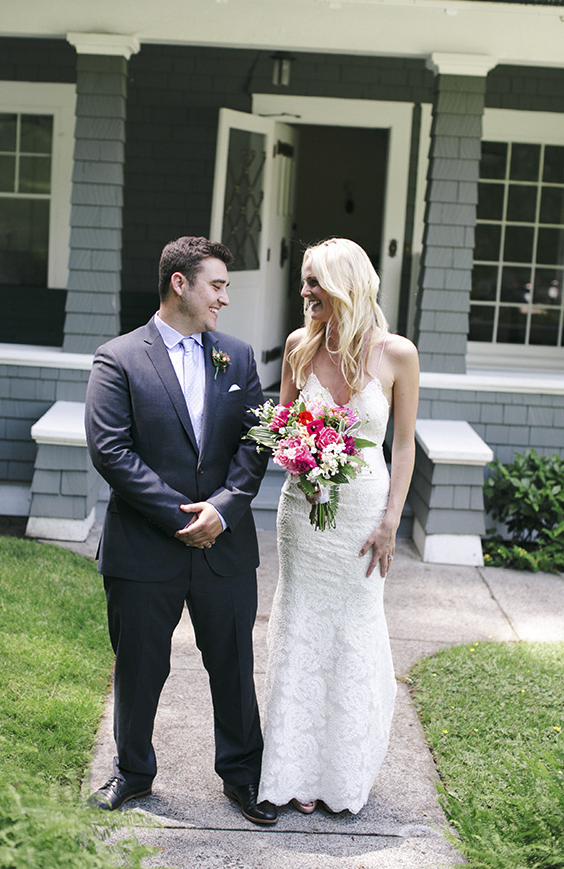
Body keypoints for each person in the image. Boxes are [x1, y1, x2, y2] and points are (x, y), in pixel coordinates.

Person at [85, 236, 277, 825]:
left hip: (225, 542)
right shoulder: (118, 358)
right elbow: (111, 450)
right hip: (145, 547)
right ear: (180, 283)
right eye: (216, 285)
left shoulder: (238, 356)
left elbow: (256, 441)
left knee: (233, 667)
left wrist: (222, 508)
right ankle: (133, 773)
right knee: (140, 666)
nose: (224, 298)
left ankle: (243, 777)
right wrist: (179, 517)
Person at [257, 237, 419, 815]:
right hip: (304, 512)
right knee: (301, 625)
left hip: (364, 517)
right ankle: (294, 771)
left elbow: (402, 445)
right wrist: (297, 452)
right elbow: (282, 426)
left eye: (314, 282)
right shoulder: (300, 346)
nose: (304, 293)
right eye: (304, 281)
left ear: (347, 284)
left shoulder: (398, 354)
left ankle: (342, 770)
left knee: (354, 630)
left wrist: (391, 522)